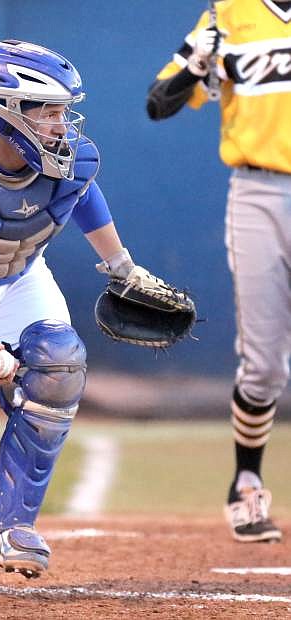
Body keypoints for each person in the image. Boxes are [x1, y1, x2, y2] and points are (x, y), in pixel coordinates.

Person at [0, 40, 188, 592]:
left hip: (19, 276)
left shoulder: (68, 157)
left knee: (60, 363)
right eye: (45, 110)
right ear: (4, 109)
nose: (59, 122)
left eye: (62, 109)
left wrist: (121, 267)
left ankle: (12, 527)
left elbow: (82, 195)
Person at [146, 0, 291, 543]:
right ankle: (246, 484)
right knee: (263, 367)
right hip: (259, 193)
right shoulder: (228, 16)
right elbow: (159, 103)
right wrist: (197, 62)